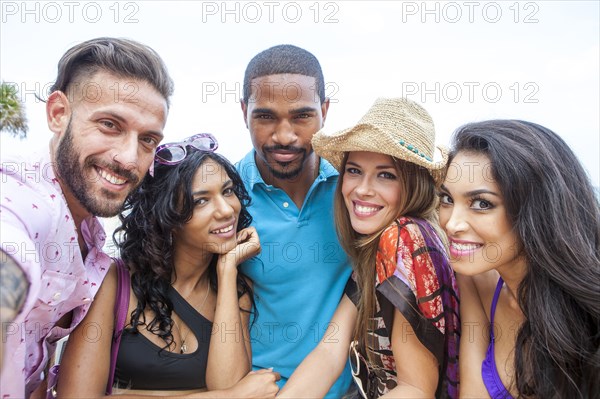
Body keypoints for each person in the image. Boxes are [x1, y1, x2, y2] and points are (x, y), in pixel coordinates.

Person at [0, 37, 173, 398]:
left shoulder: (91, 239)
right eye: (110, 124)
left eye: (147, 140)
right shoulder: (20, 201)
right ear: (58, 114)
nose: (128, 158)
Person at [56, 134, 281, 398]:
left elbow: (227, 384)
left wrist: (229, 268)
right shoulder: (113, 282)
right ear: (167, 216)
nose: (226, 210)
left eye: (227, 191)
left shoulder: (235, 288)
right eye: (201, 201)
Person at [279, 97, 460, 399]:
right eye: (354, 171)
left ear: (414, 184)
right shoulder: (378, 246)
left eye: (386, 175)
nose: (362, 189)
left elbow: (416, 390)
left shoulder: (402, 237)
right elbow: (330, 350)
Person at [437, 120, 600, 398]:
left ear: (538, 209)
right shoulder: (474, 278)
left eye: (482, 204)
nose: (452, 224)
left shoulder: (588, 318)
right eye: (447, 199)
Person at [236, 44, 353, 397]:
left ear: (325, 111)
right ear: (244, 112)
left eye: (302, 116)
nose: (284, 136)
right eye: (266, 116)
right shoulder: (225, 199)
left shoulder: (356, 191)